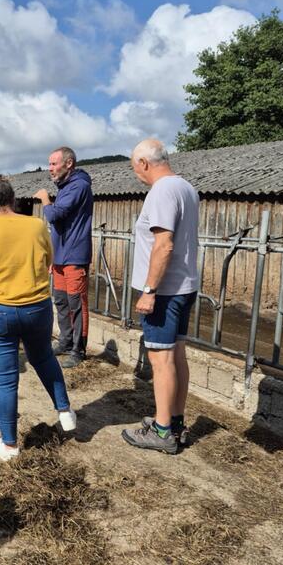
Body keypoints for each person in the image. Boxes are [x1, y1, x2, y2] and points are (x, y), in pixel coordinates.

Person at [0, 174, 76, 462]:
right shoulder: (35, 225)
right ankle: (65, 410)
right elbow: (48, 260)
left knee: (4, 379)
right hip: (36, 307)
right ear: (13, 200)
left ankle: (9, 445)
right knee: (44, 358)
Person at [121, 139, 199, 455]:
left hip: (164, 291)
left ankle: (163, 432)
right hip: (184, 286)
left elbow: (163, 244)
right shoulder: (186, 188)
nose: (136, 174)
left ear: (144, 163)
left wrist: (149, 290)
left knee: (161, 359)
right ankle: (174, 421)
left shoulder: (162, 191)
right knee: (176, 354)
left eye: (134, 168)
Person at [33, 146, 93, 369]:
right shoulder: (67, 186)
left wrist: (45, 199)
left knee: (76, 303)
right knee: (61, 300)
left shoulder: (78, 185)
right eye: (49, 164)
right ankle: (66, 342)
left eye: (54, 164)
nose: (50, 169)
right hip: (60, 255)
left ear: (69, 164)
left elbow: (54, 215)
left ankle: (79, 349)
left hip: (75, 255)